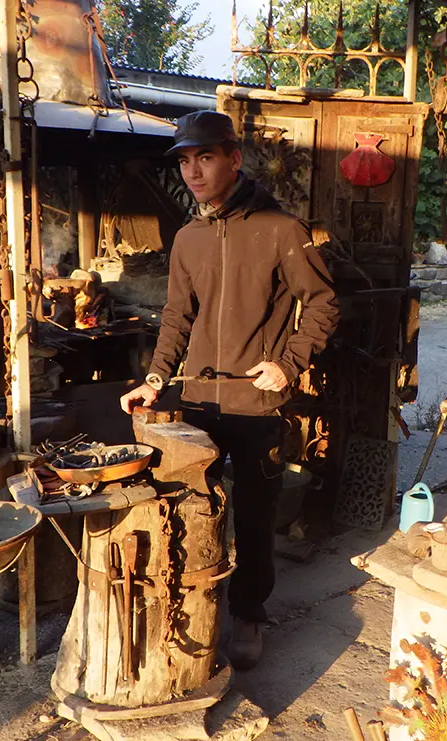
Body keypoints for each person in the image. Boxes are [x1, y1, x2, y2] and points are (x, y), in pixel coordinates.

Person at [120, 110, 339, 670]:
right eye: (185, 162)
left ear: (234, 159)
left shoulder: (280, 230)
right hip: (198, 404)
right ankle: (197, 600)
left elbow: (323, 304)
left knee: (256, 515)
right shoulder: (187, 239)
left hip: (256, 403)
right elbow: (177, 316)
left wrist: (288, 364)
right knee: (194, 507)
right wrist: (155, 378)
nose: (193, 172)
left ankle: (248, 612)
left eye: (205, 158)